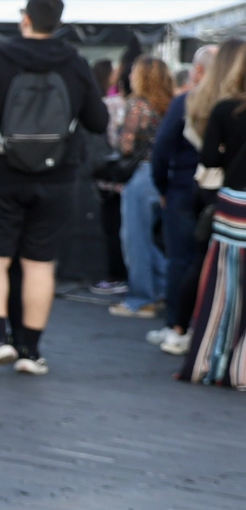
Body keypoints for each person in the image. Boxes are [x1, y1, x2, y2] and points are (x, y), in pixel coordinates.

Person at [0, 0, 109, 374]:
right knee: (40, 263)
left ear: (25, 18)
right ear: (58, 22)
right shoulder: (74, 63)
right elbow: (98, 121)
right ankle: (30, 350)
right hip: (57, 175)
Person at [163, 43, 246, 356]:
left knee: (200, 261)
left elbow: (202, 155)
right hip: (230, 193)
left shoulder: (202, 102)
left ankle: (181, 328)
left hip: (212, 190)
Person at [181, 58, 246, 387]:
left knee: (225, 290)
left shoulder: (225, 109)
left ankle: (211, 362)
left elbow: (208, 159)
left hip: (234, 203)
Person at [105, 54, 174, 319]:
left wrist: (117, 133)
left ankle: (142, 299)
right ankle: (164, 288)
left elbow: (125, 145)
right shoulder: (172, 103)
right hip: (167, 173)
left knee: (135, 239)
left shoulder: (138, 104)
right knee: (151, 240)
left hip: (142, 175)